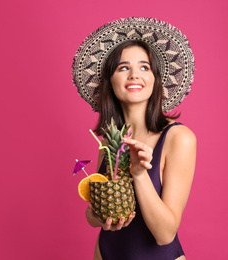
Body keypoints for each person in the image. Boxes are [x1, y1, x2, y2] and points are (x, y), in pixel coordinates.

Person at [72, 17, 196, 260]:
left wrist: (139, 174)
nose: (134, 75)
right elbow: (91, 217)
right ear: (110, 81)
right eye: (123, 67)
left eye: (144, 67)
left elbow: (165, 234)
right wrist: (101, 215)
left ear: (155, 79)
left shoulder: (178, 138)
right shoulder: (109, 141)